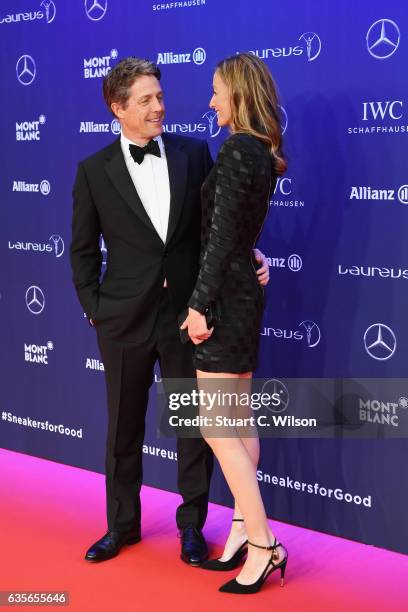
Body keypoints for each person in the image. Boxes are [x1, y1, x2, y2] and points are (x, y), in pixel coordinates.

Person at [70, 56, 270, 565]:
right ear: (118, 108)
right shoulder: (94, 171)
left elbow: (219, 229)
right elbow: (83, 250)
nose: (159, 106)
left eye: (160, 96)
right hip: (123, 319)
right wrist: (96, 309)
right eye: (145, 100)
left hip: (189, 316)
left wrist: (251, 257)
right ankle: (121, 527)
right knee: (123, 429)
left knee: (192, 427)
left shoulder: (194, 153)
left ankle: (191, 528)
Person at [181, 53, 288, 594]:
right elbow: (239, 234)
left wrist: (199, 305)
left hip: (224, 301)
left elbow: (222, 239)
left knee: (218, 427)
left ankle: (266, 544)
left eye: (216, 90)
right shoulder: (257, 150)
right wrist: (251, 256)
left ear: (239, 94)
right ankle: (245, 530)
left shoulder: (237, 148)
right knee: (237, 423)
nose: (211, 101)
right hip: (242, 293)